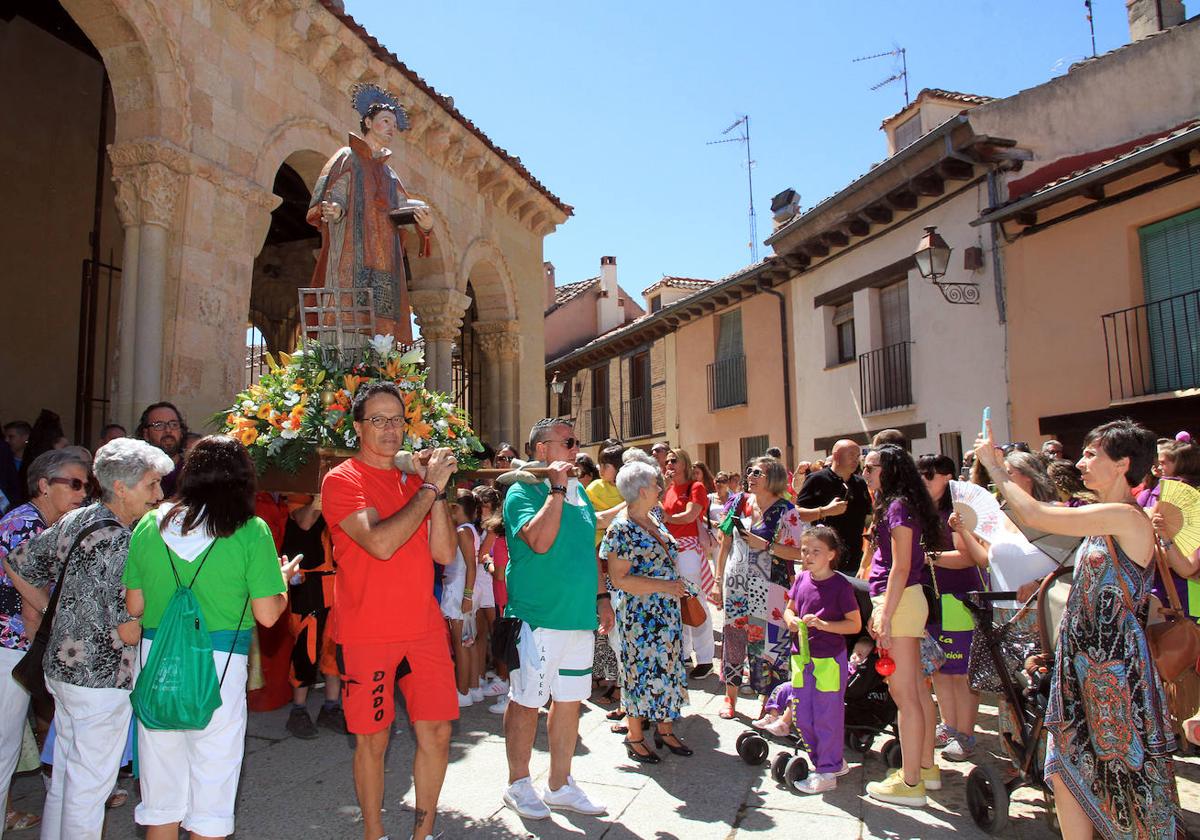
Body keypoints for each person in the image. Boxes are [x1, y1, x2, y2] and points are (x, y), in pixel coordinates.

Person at [974, 418, 1186, 839]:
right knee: (1064, 772)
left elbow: (1036, 512)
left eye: (1092, 455)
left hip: (1115, 677)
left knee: (1126, 781)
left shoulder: (1124, 517)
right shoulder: (1099, 516)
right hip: (1082, 670)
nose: (1082, 462)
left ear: (1123, 464)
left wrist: (994, 468)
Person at [123, 435, 297, 840]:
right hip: (219, 668)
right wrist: (283, 581)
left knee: (161, 799)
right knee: (211, 797)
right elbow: (269, 615)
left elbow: (134, 606)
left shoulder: (149, 525)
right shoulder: (251, 531)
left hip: (156, 661)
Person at [5, 438, 172, 840]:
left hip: (61, 671)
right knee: (89, 786)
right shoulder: (123, 542)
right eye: (151, 485)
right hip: (101, 679)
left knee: (65, 776)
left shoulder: (80, 518)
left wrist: (53, 614)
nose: (160, 495)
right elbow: (128, 628)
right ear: (121, 487)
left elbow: (19, 564)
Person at [320, 381, 459, 840]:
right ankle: (374, 833)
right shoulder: (342, 480)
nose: (389, 429)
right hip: (367, 631)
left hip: (422, 627)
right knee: (373, 740)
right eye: (377, 420)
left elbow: (444, 554)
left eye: (397, 419)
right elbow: (379, 543)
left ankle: (423, 834)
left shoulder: (415, 483)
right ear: (358, 428)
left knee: (437, 733)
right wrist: (428, 491)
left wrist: (432, 491)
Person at [501, 418, 609, 820]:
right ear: (542, 449)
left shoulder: (580, 492)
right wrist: (557, 489)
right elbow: (540, 542)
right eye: (568, 442)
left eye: (576, 442)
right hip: (538, 618)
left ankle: (560, 785)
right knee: (527, 702)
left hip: (577, 617)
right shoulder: (522, 491)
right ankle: (518, 784)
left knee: (569, 702)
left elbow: (587, 552)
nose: (577, 449)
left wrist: (602, 598)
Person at [0, 450, 90, 833]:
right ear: (43, 485)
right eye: (74, 484)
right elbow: (32, 600)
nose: (83, 494)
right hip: (11, 648)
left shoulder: (40, 524)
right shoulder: (26, 524)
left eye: (86, 485)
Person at [307, 83, 434, 343]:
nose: (391, 128)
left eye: (394, 125)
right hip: (351, 255)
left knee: (378, 323)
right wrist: (335, 209)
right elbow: (336, 193)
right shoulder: (348, 157)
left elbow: (402, 207)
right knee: (346, 314)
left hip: (383, 259)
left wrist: (426, 223)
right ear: (367, 121)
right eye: (385, 121)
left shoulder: (389, 174)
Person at [861, 444, 944, 808]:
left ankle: (911, 784)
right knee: (917, 692)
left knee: (905, 696)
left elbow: (899, 566)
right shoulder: (900, 504)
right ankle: (924, 769)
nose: (865, 474)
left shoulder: (897, 507)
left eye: (870, 468)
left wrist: (885, 613)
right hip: (905, 601)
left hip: (900, 601)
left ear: (889, 470)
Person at [601, 461, 691, 765]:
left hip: (665, 612)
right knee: (639, 673)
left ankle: (665, 730)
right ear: (642, 490)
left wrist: (670, 588)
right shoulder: (621, 528)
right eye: (655, 483)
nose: (660, 487)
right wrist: (664, 586)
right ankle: (635, 735)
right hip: (641, 616)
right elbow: (619, 578)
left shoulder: (653, 517)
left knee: (668, 668)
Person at [715, 457, 806, 719]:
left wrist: (765, 545)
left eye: (759, 473)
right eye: (750, 471)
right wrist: (719, 579)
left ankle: (769, 702)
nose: (751, 476)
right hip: (738, 583)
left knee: (770, 644)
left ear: (774, 478)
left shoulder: (787, 511)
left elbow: (798, 553)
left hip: (773, 585)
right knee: (734, 638)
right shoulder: (738, 503)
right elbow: (725, 543)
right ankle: (729, 699)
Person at [776, 526, 861, 793]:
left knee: (827, 716)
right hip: (802, 657)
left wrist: (825, 625)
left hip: (829, 661)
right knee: (803, 716)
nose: (808, 556)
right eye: (804, 551)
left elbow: (854, 625)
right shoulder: (801, 579)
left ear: (831, 555)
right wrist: (792, 621)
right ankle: (829, 762)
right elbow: (789, 609)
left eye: (816, 551)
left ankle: (827, 771)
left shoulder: (840, 586)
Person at [918, 454, 988, 761]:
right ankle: (949, 726)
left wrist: (927, 557)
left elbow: (967, 557)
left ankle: (966, 734)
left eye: (928, 475)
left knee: (961, 673)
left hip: (959, 597)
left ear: (946, 477)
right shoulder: (921, 510)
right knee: (940, 669)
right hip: (931, 597)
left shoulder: (957, 511)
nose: (921, 480)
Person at [282, 494, 345, 740]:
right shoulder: (299, 495)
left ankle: (331, 707)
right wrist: (321, 492)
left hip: (336, 584)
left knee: (333, 650)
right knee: (305, 650)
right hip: (308, 586)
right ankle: (298, 712)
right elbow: (306, 522)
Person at [662, 448, 715, 678]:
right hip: (670, 550)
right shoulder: (668, 489)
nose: (669, 464)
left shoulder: (696, 487)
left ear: (684, 463)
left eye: (674, 460)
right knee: (676, 602)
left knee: (695, 601)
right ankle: (683, 653)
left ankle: (705, 658)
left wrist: (667, 519)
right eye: (668, 461)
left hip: (687, 549)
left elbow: (691, 515)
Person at [585, 445, 627, 712]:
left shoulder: (628, 487)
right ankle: (613, 680)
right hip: (600, 562)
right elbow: (596, 521)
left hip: (624, 564)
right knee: (607, 628)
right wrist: (627, 504)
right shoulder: (595, 489)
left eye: (605, 465)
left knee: (620, 629)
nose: (600, 470)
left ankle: (623, 686)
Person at [795, 440, 872, 575]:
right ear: (836, 456)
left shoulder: (860, 483)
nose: (856, 460)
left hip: (854, 561)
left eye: (858, 456)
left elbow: (869, 516)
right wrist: (825, 511)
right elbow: (797, 513)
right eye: (851, 455)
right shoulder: (816, 479)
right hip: (824, 562)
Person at [136, 402, 188, 499]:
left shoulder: (191, 470)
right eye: (159, 425)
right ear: (146, 434)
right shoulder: (137, 473)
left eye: (174, 424)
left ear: (181, 432)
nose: (168, 430)